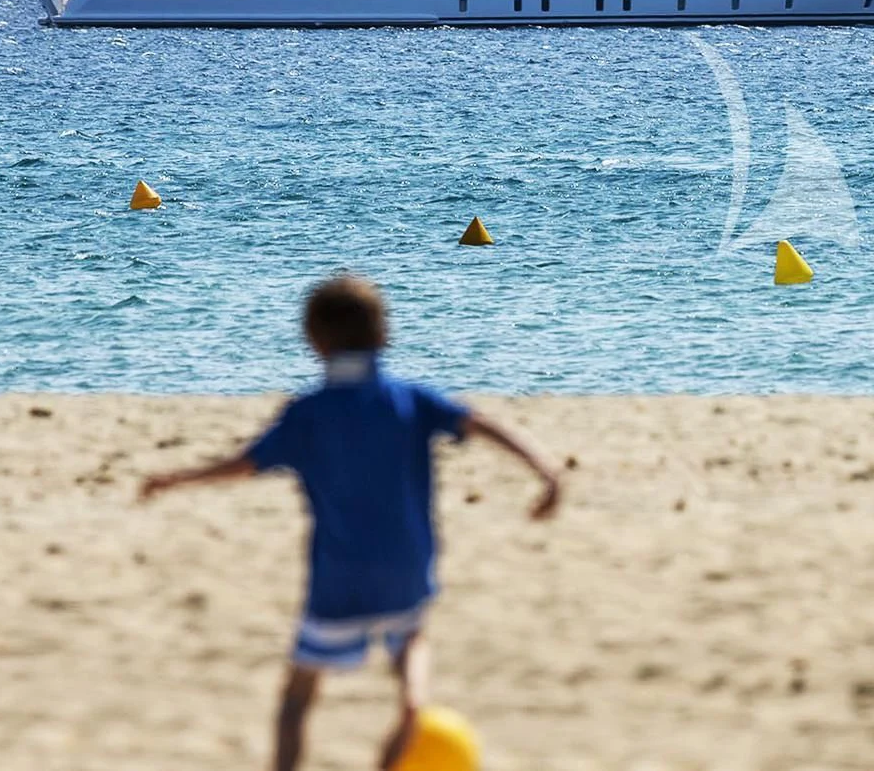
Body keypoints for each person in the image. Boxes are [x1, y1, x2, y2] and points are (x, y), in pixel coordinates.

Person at [140, 275, 561, 771]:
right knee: (411, 637)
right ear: (384, 334)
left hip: (339, 576)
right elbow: (483, 423)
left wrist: (176, 479)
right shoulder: (410, 399)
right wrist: (546, 470)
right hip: (406, 566)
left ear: (313, 340)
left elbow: (244, 464)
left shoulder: (307, 414)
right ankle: (412, 701)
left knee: (298, 698)